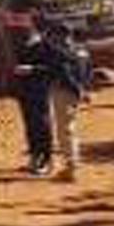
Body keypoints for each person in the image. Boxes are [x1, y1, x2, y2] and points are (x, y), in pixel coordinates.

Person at [44, 24, 92, 182]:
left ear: (59, 35)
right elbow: (88, 72)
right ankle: (72, 164)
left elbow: (65, 74)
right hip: (76, 93)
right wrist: (85, 90)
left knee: (64, 130)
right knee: (70, 127)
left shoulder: (60, 52)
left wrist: (77, 90)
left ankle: (71, 168)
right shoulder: (82, 50)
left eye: (53, 36)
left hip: (64, 92)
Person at [13, 26, 55, 176]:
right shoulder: (20, 44)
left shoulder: (46, 45)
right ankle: (34, 156)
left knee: (42, 124)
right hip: (24, 91)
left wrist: (32, 69)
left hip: (40, 90)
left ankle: (47, 158)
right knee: (30, 124)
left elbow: (53, 68)